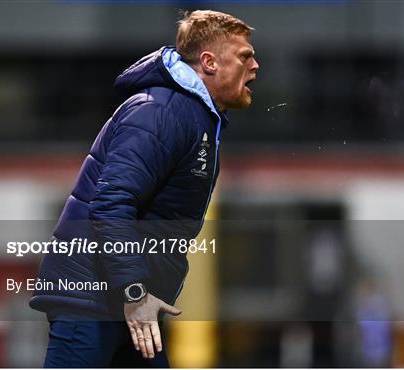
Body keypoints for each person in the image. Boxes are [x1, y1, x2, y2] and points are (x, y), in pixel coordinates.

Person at [29, 10, 259, 367]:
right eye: (245, 56)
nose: (255, 65)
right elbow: (110, 204)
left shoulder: (193, 115)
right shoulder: (161, 112)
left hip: (126, 299)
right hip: (97, 299)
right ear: (210, 62)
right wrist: (133, 291)